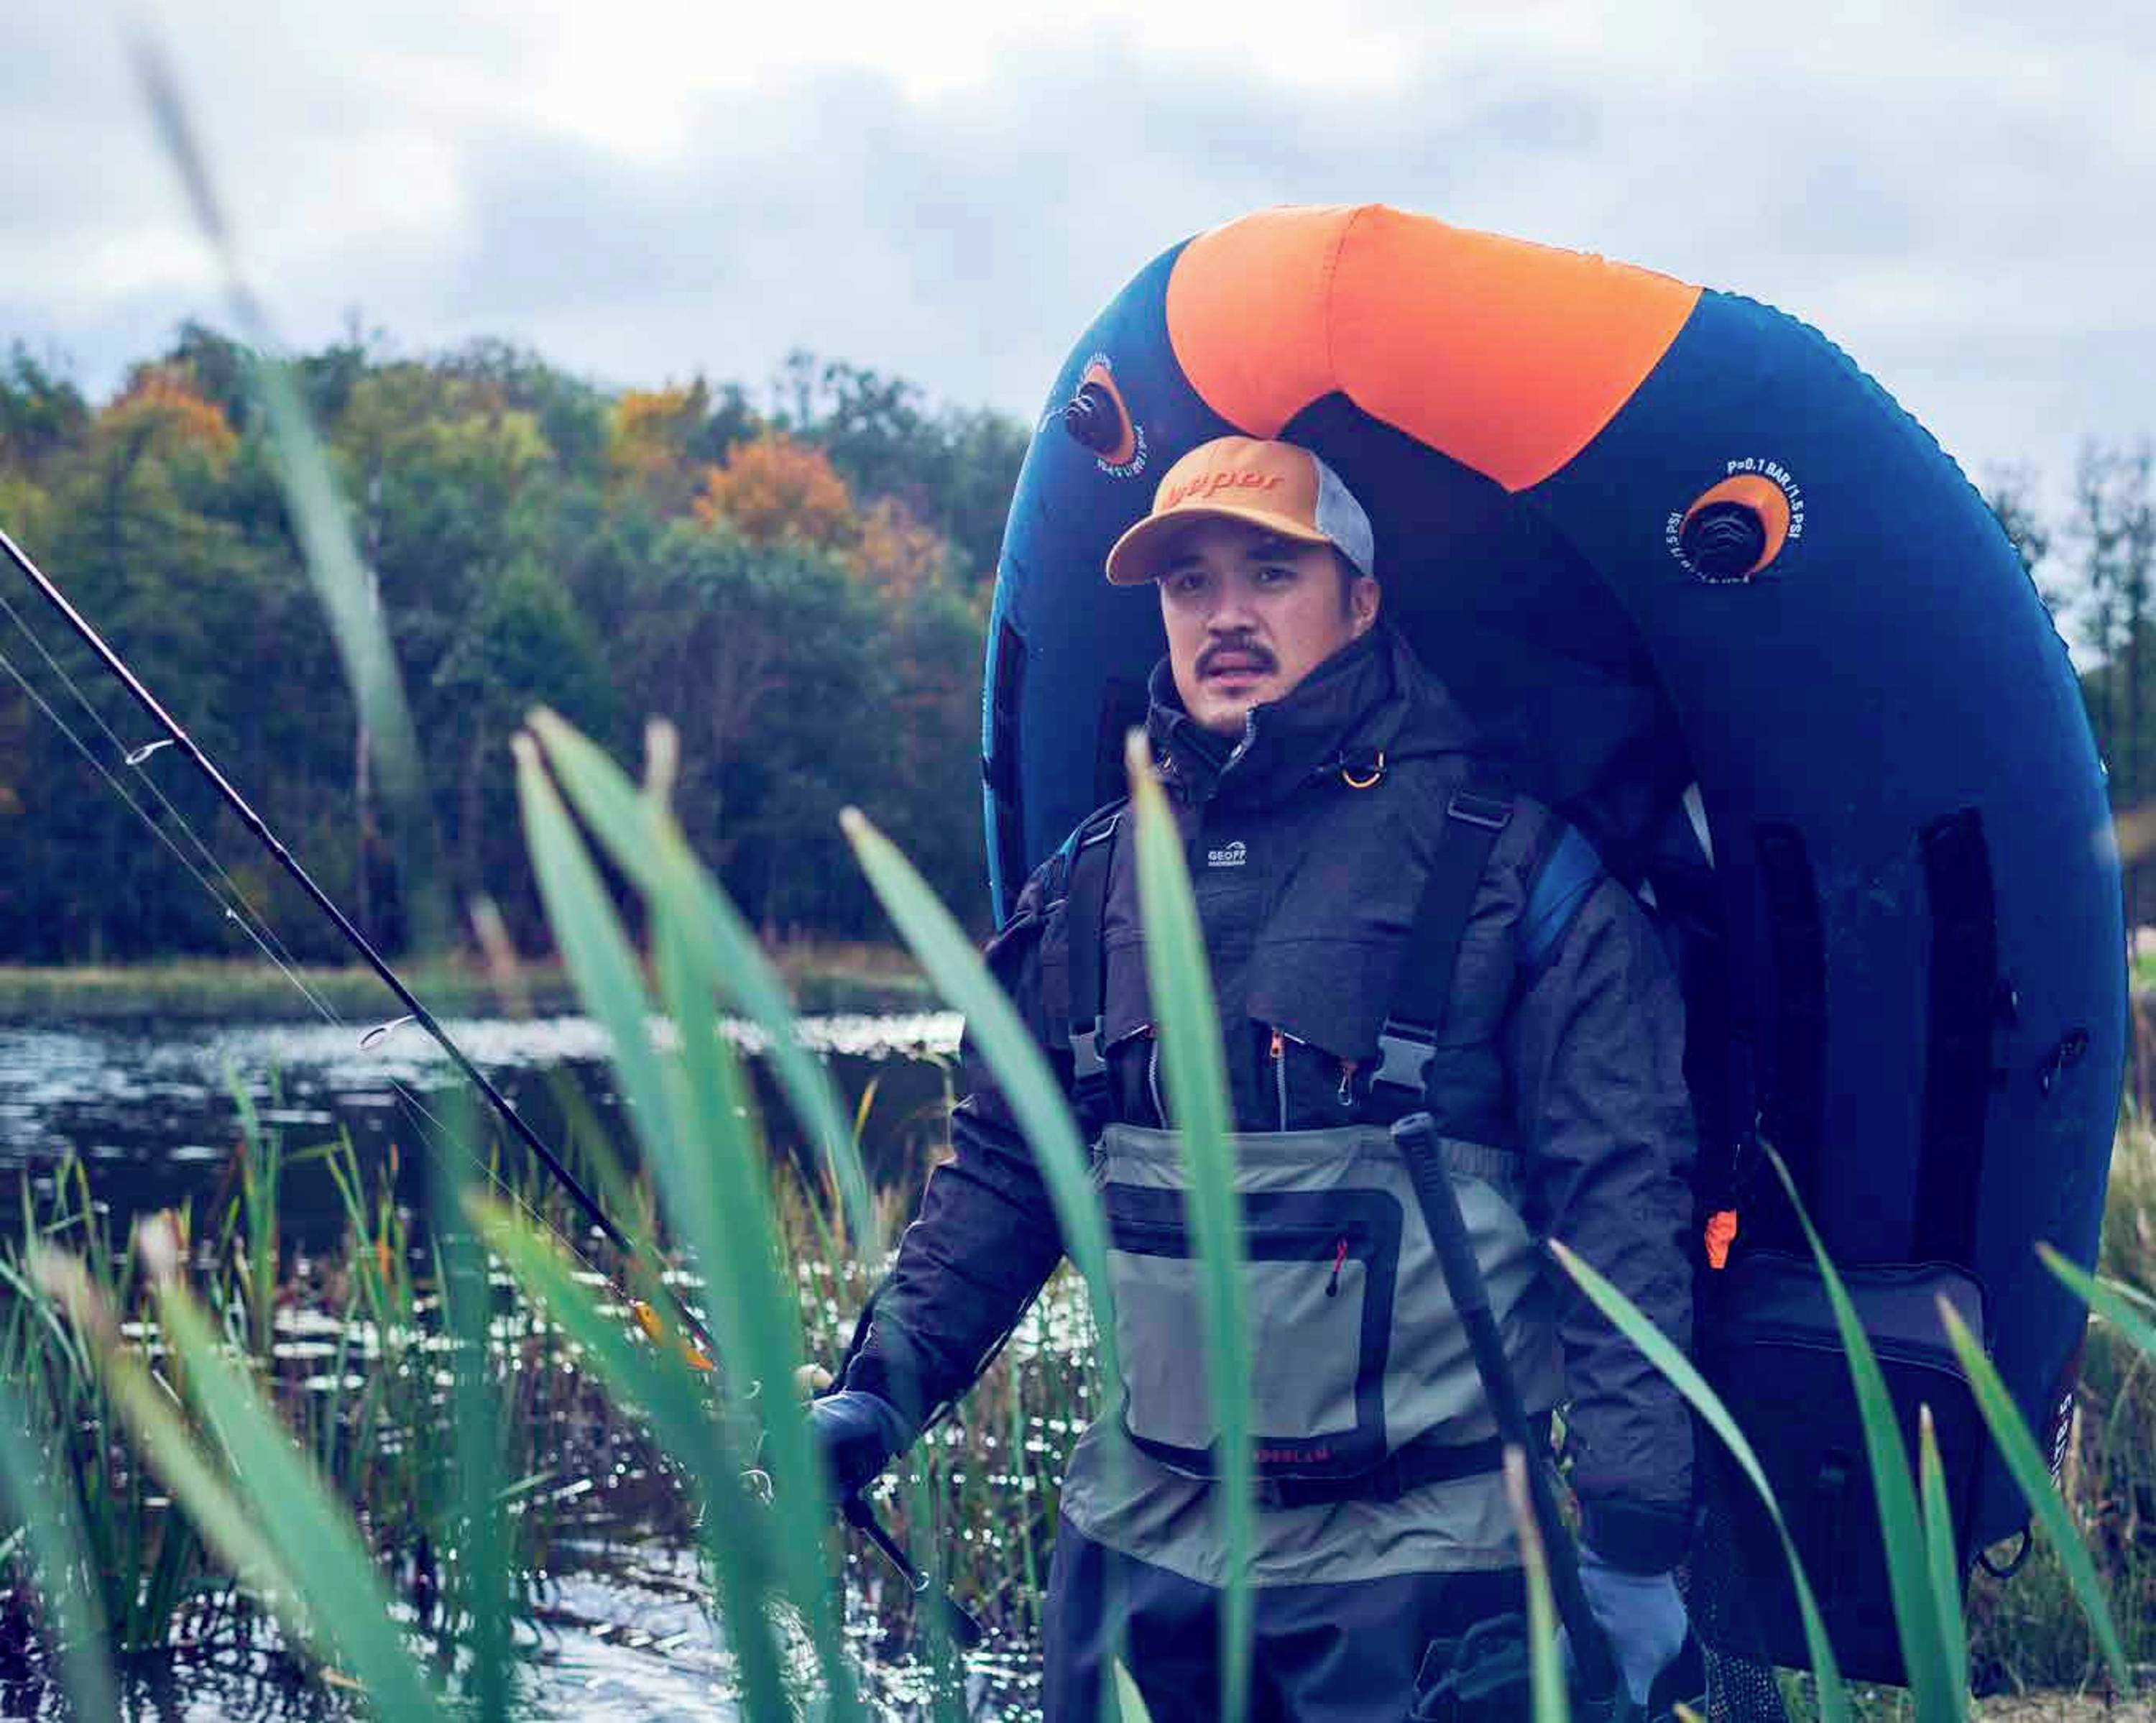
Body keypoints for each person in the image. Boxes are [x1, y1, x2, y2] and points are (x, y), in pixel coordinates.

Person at [812, 436, 1697, 1719]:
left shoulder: (1521, 875)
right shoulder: (1088, 885)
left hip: (1429, 1572)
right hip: (1138, 1552)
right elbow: (1007, 1173)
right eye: (1189, 583)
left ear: (1364, 597)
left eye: (1271, 571)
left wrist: (1630, 1531)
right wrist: (878, 1390)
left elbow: (1620, 1213)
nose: (1225, 615)